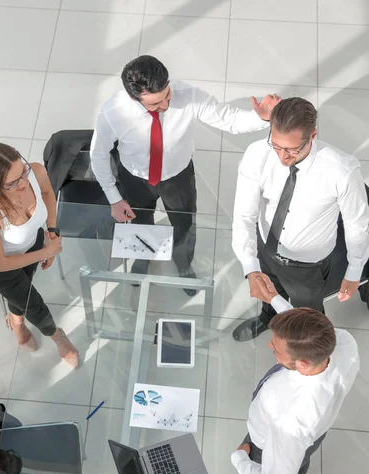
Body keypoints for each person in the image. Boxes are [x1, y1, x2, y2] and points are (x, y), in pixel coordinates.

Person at [90, 54, 280, 295]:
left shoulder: (188, 96)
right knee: (140, 221)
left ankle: (183, 265)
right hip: (134, 177)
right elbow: (98, 154)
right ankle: (143, 258)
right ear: (133, 98)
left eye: (167, 96)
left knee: (184, 224)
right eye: (155, 104)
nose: (166, 106)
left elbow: (229, 120)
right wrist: (114, 198)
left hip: (178, 176)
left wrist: (260, 116)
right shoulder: (113, 111)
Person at [219, 282, 360, 474]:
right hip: (307, 437)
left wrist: (239, 458)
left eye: (277, 349)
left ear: (303, 364)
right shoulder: (342, 344)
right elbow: (316, 328)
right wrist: (274, 299)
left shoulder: (292, 419)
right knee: (297, 462)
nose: (270, 348)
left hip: (268, 446)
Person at [231, 97, 369, 342]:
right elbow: (244, 215)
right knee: (270, 291)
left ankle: (305, 349)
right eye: (276, 145)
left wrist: (354, 270)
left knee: (308, 316)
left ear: (313, 135)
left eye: (292, 150)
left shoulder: (342, 171)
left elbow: (357, 224)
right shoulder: (257, 153)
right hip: (265, 247)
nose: (282, 157)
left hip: (308, 266)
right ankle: (269, 317)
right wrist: (251, 269)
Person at [0, 143, 78, 368]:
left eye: (23, 173)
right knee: (34, 304)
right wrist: (46, 252)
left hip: (34, 245)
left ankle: (16, 322)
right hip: (3, 269)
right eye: (12, 183)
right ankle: (58, 337)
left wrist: (51, 231)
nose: (23, 183)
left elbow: (48, 193)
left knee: (23, 294)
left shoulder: (36, 172)